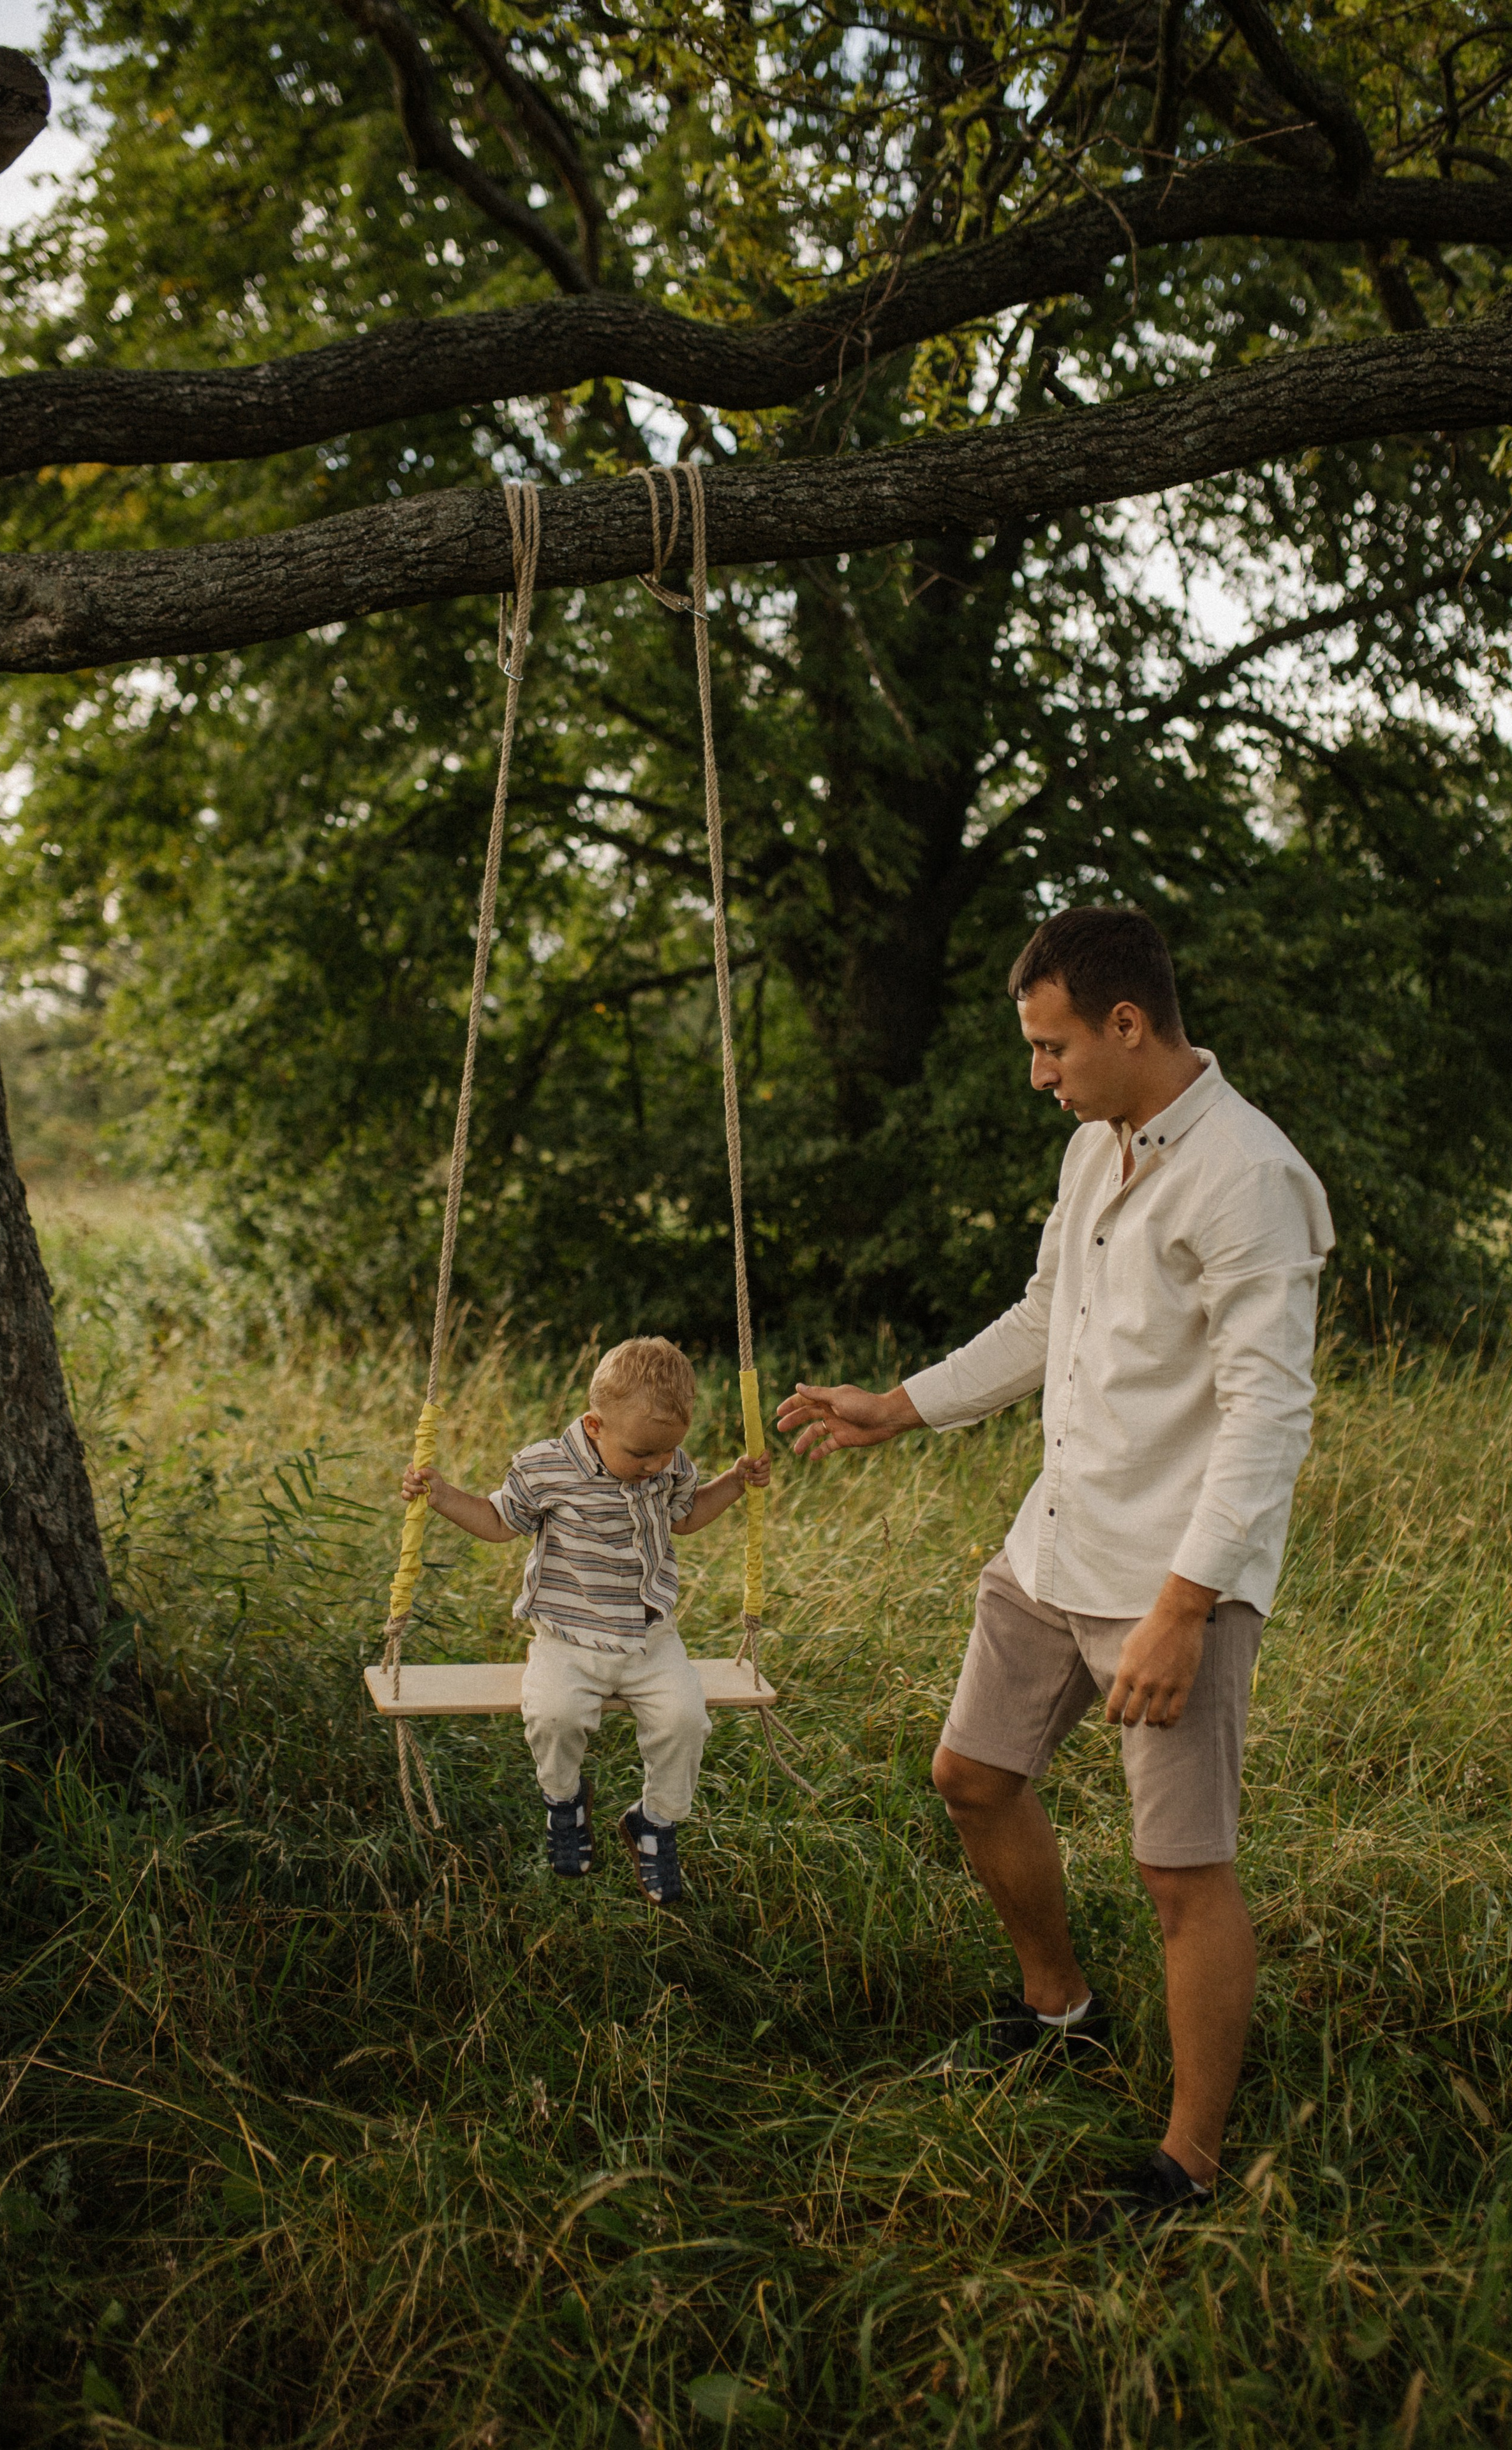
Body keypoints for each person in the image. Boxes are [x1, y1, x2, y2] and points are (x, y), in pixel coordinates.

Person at [776, 905, 1333, 2234]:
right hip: (1054, 1538)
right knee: (971, 1776)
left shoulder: (1247, 1179)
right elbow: (1047, 1317)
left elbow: (1269, 1417)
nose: (1039, 1074)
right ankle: (1058, 2008)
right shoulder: (1097, 1150)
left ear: (1125, 1025)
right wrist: (896, 1405)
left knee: (1178, 1872)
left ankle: (1187, 2165)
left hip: (1168, 1580)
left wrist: (1183, 1607)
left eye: (1050, 1046)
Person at [402, 1335, 770, 1904]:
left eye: (665, 1453)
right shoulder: (545, 1466)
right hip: (566, 1638)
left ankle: (655, 1822)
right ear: (594, 1426)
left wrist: (734, 1482)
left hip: (651, 1638)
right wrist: (443, 1495)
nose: (653, 1467)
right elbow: (501, 1522)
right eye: (641, 1455)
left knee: (685, 1720)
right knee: (554, 1715)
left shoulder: (668, 1467)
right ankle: (565, 1802)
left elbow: (688, 1517)